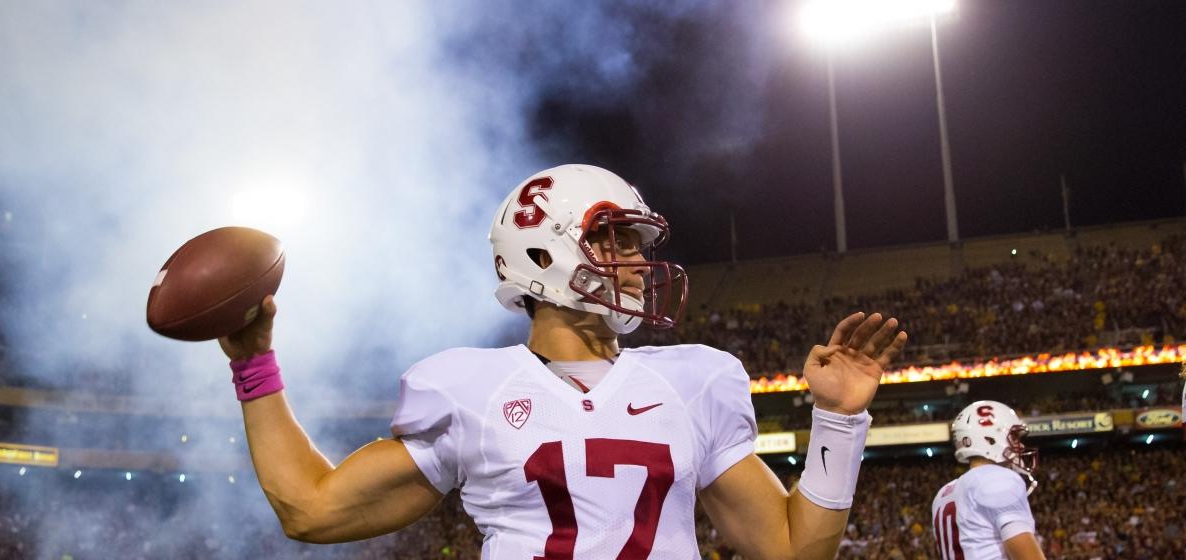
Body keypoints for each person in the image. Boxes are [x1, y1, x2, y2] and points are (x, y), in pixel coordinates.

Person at [219, 163, 908, 558]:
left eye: (637, 244)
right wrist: (254, 365)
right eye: (617, 241)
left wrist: (838, 421)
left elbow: (791, 550)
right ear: (543, 253)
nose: (637, 262)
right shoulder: (468, 390)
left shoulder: (694, 381)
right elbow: (311, 510)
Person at [932, 400, 1045, 560]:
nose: (1020, 445)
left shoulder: (943, 493)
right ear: (989, 439)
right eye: (1013, 437)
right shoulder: (998, 479)